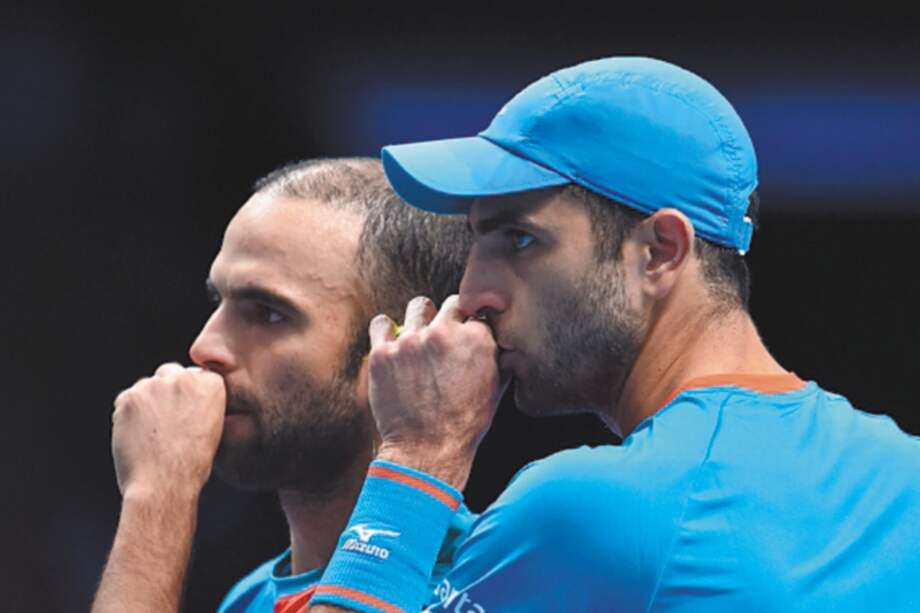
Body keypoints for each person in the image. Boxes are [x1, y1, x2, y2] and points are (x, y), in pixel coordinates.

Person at [305, 57, 920, 612]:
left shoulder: (590, 508)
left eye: (519, 238)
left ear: (659, 252)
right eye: (475, 242)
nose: (471, 295)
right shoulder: (904, 475)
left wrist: (418, 453)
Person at [91, 158, 474, 613]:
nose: (203, 347)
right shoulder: (245, 602)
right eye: (220, 300)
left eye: (268, 313)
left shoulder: (499, 573)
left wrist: (156, 499)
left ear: (401, 349)